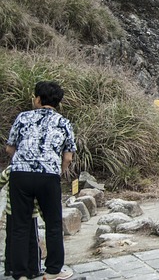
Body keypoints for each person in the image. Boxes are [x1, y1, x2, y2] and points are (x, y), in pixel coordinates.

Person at [6, 81, 76, 280]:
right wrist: (57, 171)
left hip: (21, 175)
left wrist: (24, 163)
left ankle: (20, 274)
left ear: (37, 99)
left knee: (20, 225)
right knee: (53, 224)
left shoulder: (22, 117)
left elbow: (10, 148)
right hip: (49, 176)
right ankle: (53, 271)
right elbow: (68, 156)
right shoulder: (64, 122)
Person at [0, 166, 42, 279]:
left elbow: (1, 180)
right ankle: (34, 269)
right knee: (32, 241)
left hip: (12, 212)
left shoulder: (10, 169)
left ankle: (9, 268)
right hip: (30, 213)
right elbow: (38, 195)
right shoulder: (35, 169)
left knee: (11, 239)